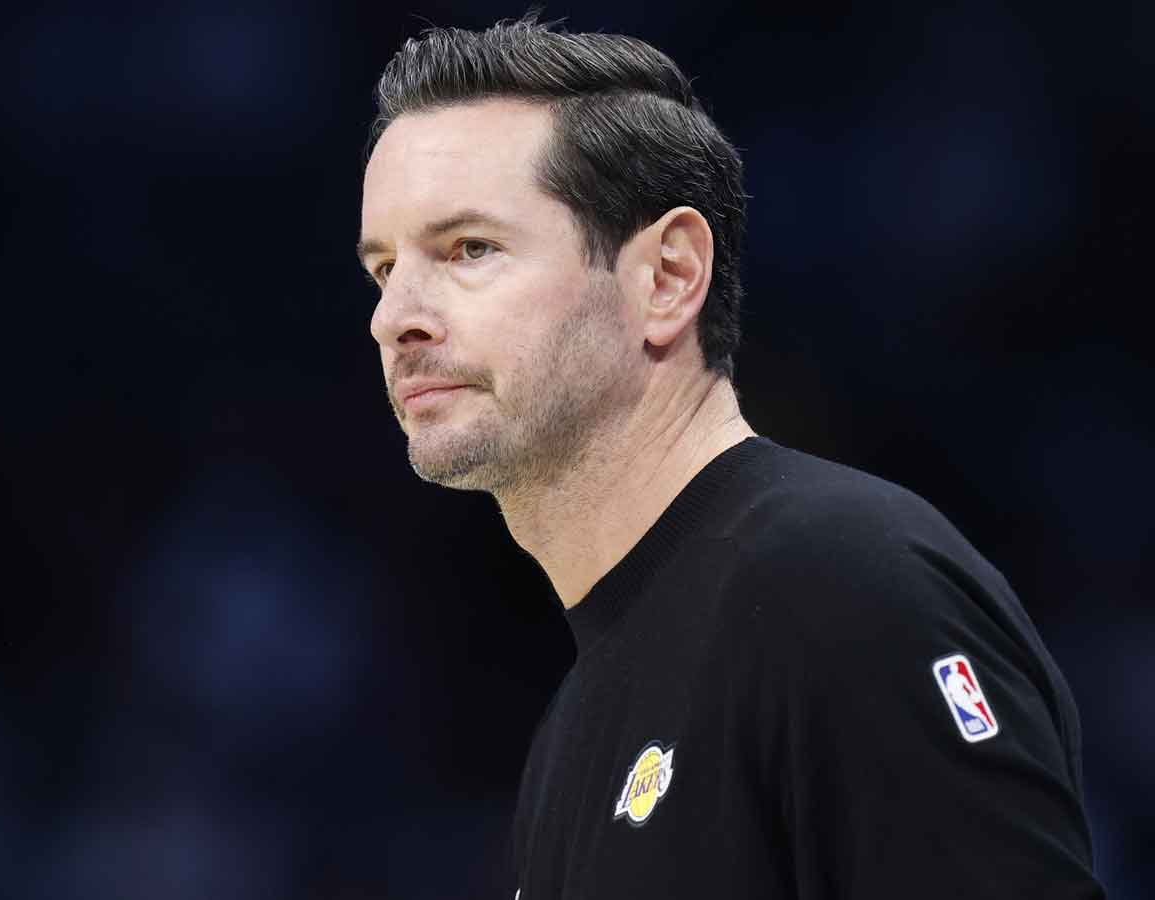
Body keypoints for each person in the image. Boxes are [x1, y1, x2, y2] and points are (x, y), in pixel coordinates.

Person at [358, 15, 1104, 899]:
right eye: (384, 269)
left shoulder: (842, 585)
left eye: (468, 249)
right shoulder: (575, 721)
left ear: (667, 277)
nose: (393, 318)